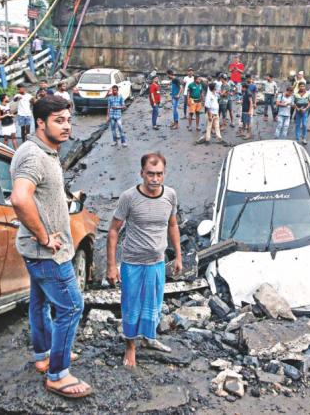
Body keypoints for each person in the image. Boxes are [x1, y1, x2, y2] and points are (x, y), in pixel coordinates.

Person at [9, 95, 91, 399]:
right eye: (59, 120)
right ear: (40, 123)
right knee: (71, 306)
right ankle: (58, 374)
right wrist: (44, 236)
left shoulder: (43, 151)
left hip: (39, 251)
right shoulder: (34, 156)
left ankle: (44, 356)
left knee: (40, 304)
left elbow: (40, 196)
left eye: (68, 120)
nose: (66, 126)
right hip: (47, 252)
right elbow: (20, 198)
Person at [106, 153, 182, 367]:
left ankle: (150, 338)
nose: (154, 179)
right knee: (131, 307)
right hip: (133, 263)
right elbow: (113, 231)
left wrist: (178, 255)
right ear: (141, 173)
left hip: (157, 263)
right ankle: (130, 347)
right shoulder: (128, 198)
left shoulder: (170, 196)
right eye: (150, 174)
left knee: (154, 304)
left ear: (164, 174)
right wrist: (112, 266)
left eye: (159, 174)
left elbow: (173, 225)